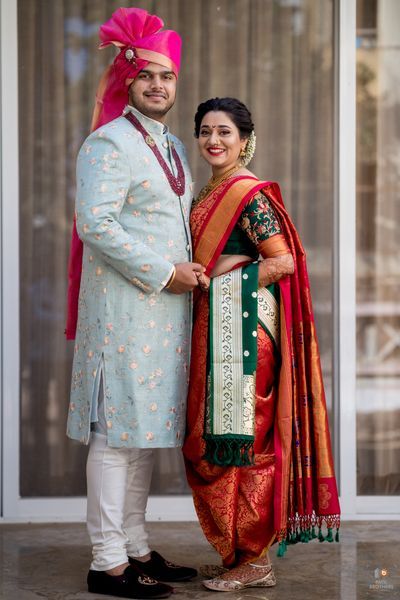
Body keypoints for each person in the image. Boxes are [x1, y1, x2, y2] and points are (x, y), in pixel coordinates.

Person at [65, 8, 200, 599]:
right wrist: (164, 271)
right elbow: (94, 223)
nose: (158, 85)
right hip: (124, 310)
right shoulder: (108, 142)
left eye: (167, 76)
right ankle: (106, 562)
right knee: (116, 438)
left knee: (142, 433)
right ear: (127, 77)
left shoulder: (171, 146)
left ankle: (137, 548)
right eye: (146, 74)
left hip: (163, 316)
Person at [183, 97, 341, 592]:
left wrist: (218, 282)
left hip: (245, 334)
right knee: (213, 442)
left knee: (244, 440)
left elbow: (283, 263)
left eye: (225, 132)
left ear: (245, 141)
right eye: (206, 131)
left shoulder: (247, 195)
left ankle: (257, 558)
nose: (214, 140)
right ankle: (236, 553)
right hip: (216, 328)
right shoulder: (207, 191)